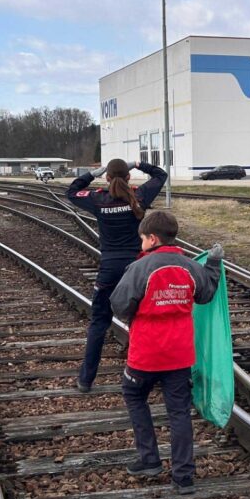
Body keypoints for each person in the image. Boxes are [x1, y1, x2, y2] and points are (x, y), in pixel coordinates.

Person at [110, 210, 223, 495]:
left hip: (145, 353)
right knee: (179, 412)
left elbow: (120, 305)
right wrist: (213, 263)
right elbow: (206, 294)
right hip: (179, 354)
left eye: (142, 239)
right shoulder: (190, 267)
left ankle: (149, 459)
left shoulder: (140, 267)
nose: (141, 244)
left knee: (134, 395)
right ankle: (183, 476)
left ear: (153, 238)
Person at [67, 158, 167, 392]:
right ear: (129, 177)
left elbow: (71, 192)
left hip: (109, 269)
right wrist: (139, 164)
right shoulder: (139, 196)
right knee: (145, 320)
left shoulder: (98, 199)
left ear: (107, 178)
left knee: (99, 323)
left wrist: (92, 174)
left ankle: (85, 380)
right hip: (137, 268)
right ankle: (151, 375)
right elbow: (160, 175)